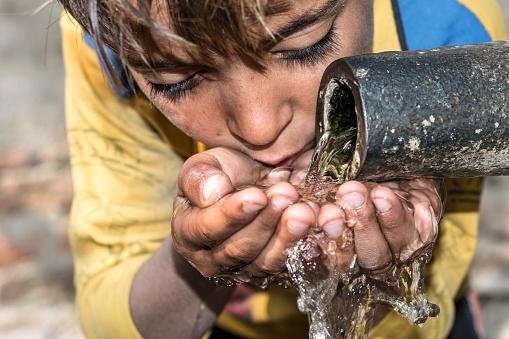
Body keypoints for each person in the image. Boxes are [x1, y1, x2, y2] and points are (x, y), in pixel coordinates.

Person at [57, 0, 507, 338]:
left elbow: (426, 318)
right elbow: (110, 314)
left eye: (302, 45)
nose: (259, 127)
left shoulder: (454, 37)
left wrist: (384, 279)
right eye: (178, 81)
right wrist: (198, 260)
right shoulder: (117, 30)